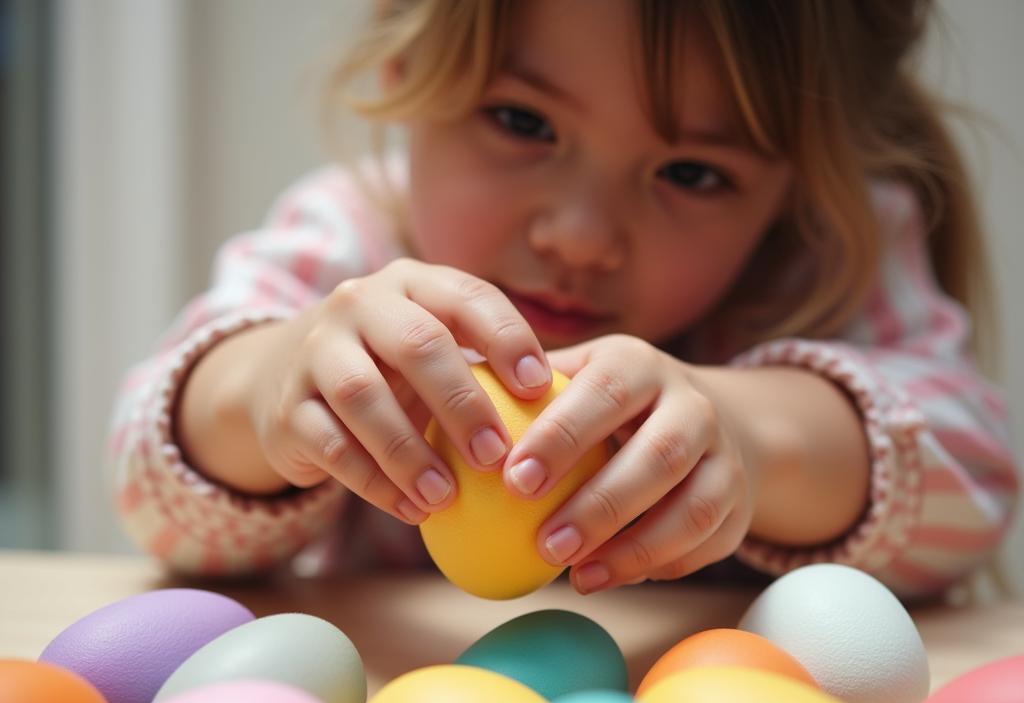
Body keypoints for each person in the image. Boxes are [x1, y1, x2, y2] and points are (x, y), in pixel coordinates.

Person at [109, 0, 1020, 600]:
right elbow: (148, 499)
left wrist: (747, 437)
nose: (582, 236)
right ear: (403, 74)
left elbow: (977, 483)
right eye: (522, 122)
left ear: (796, 189)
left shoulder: (818, 266)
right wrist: (267, 389)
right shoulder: (353, 238)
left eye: (693, 173)